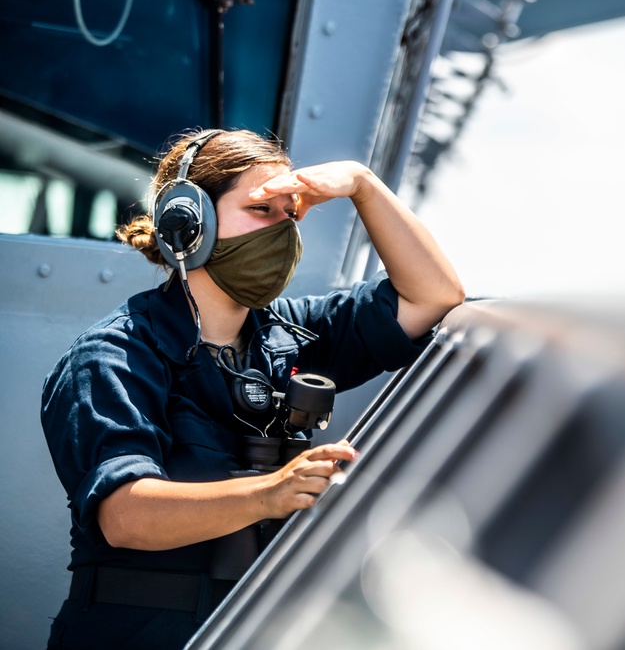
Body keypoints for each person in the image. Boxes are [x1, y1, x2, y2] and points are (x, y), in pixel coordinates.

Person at [40, 129, 464, 649]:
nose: (283, 231)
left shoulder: (290, 334)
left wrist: (363, 185)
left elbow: (433, 295)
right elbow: (125, 515)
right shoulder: (112, 356)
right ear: (188, 225)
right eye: (264, 210)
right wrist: (271, 493)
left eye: (291, 214)